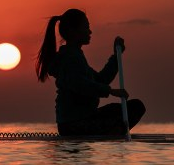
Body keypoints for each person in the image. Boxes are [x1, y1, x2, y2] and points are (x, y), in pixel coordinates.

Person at [36, 8, 146, 136]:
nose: (90, 31)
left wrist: (116, 56)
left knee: (135, 107)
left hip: (85, 118)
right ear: (73, 32)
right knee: (133, 109)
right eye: (86, 27)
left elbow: (101, 79)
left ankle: (115, 132)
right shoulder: (70, 58)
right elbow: (80, 85)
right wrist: (110, 91)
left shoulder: (76, 56)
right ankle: (114, 133)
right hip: (74, 125)